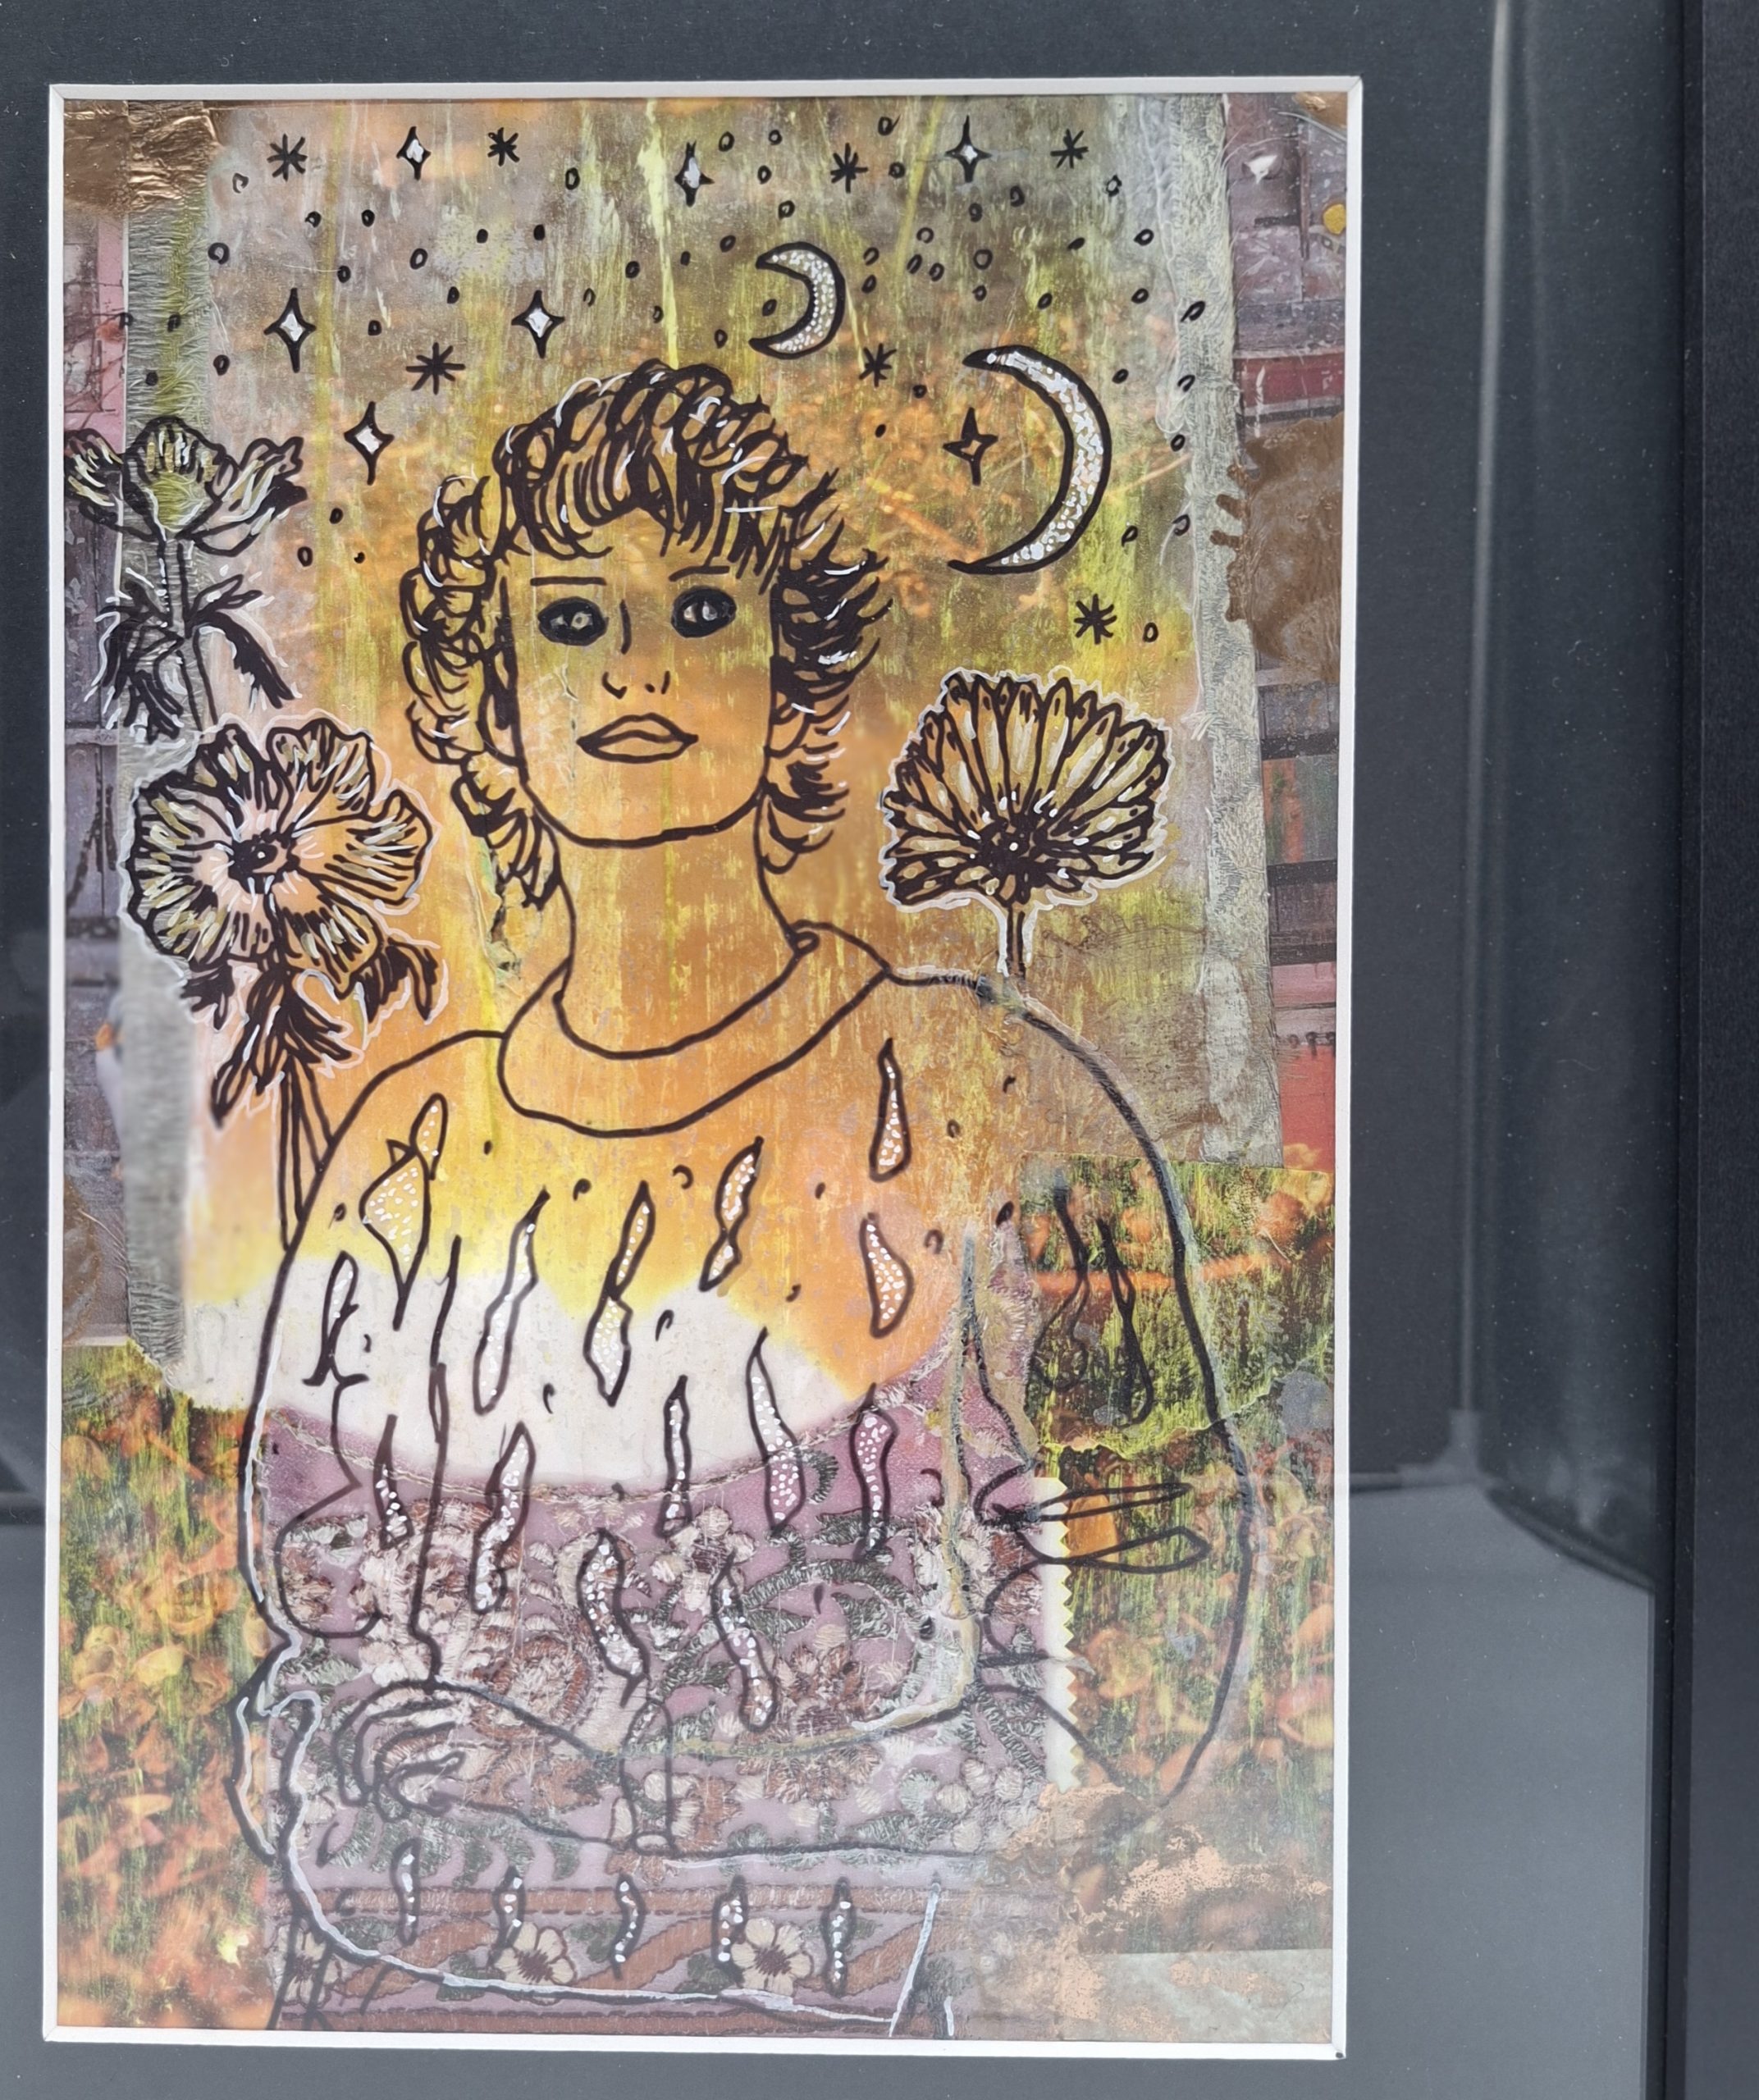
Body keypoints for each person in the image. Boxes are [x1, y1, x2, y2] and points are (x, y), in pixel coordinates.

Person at [232, 360, 1251, 2034]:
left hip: (854, 2028)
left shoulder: (985, 1093)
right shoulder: (403, 1148)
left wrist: (621, 1802)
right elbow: (310, 1668)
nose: (636, 669)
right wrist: (375, 1774)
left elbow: (1132, 1688)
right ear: (489, 707)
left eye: (702, 611)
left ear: (798, 690)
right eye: (570, 620)